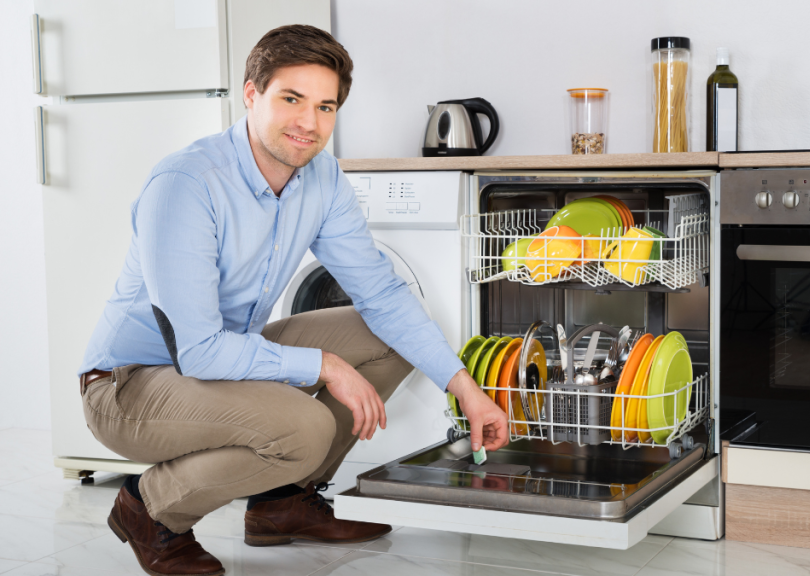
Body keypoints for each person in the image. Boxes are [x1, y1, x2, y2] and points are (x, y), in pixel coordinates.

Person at [76, 24, 508, 576]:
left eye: (326, 107)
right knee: (304, 427)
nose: (310, 123)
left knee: (388, 337)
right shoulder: (187, 183)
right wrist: (325, 366)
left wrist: (464, 387)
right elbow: (200, 352)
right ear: (251, 94)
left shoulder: (321, 179)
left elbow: (381, 291)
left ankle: (283, 504)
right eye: (291, 99)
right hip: (130, 384)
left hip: (225, 357)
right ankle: (149, 508)